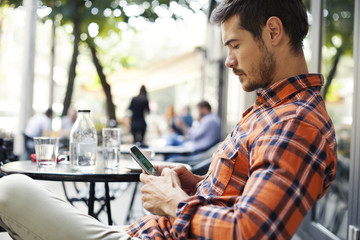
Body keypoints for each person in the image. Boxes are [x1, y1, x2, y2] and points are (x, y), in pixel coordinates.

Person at [0, 0, 337, 239]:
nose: (228, 61)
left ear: (273, 31)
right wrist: (192, 183)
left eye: (234, 45)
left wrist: (172, 202)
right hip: (144, 232)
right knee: (28, 200)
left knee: (11, 191)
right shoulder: (273, 110)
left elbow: (250, 230)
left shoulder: (295, 121)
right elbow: (238, 197)